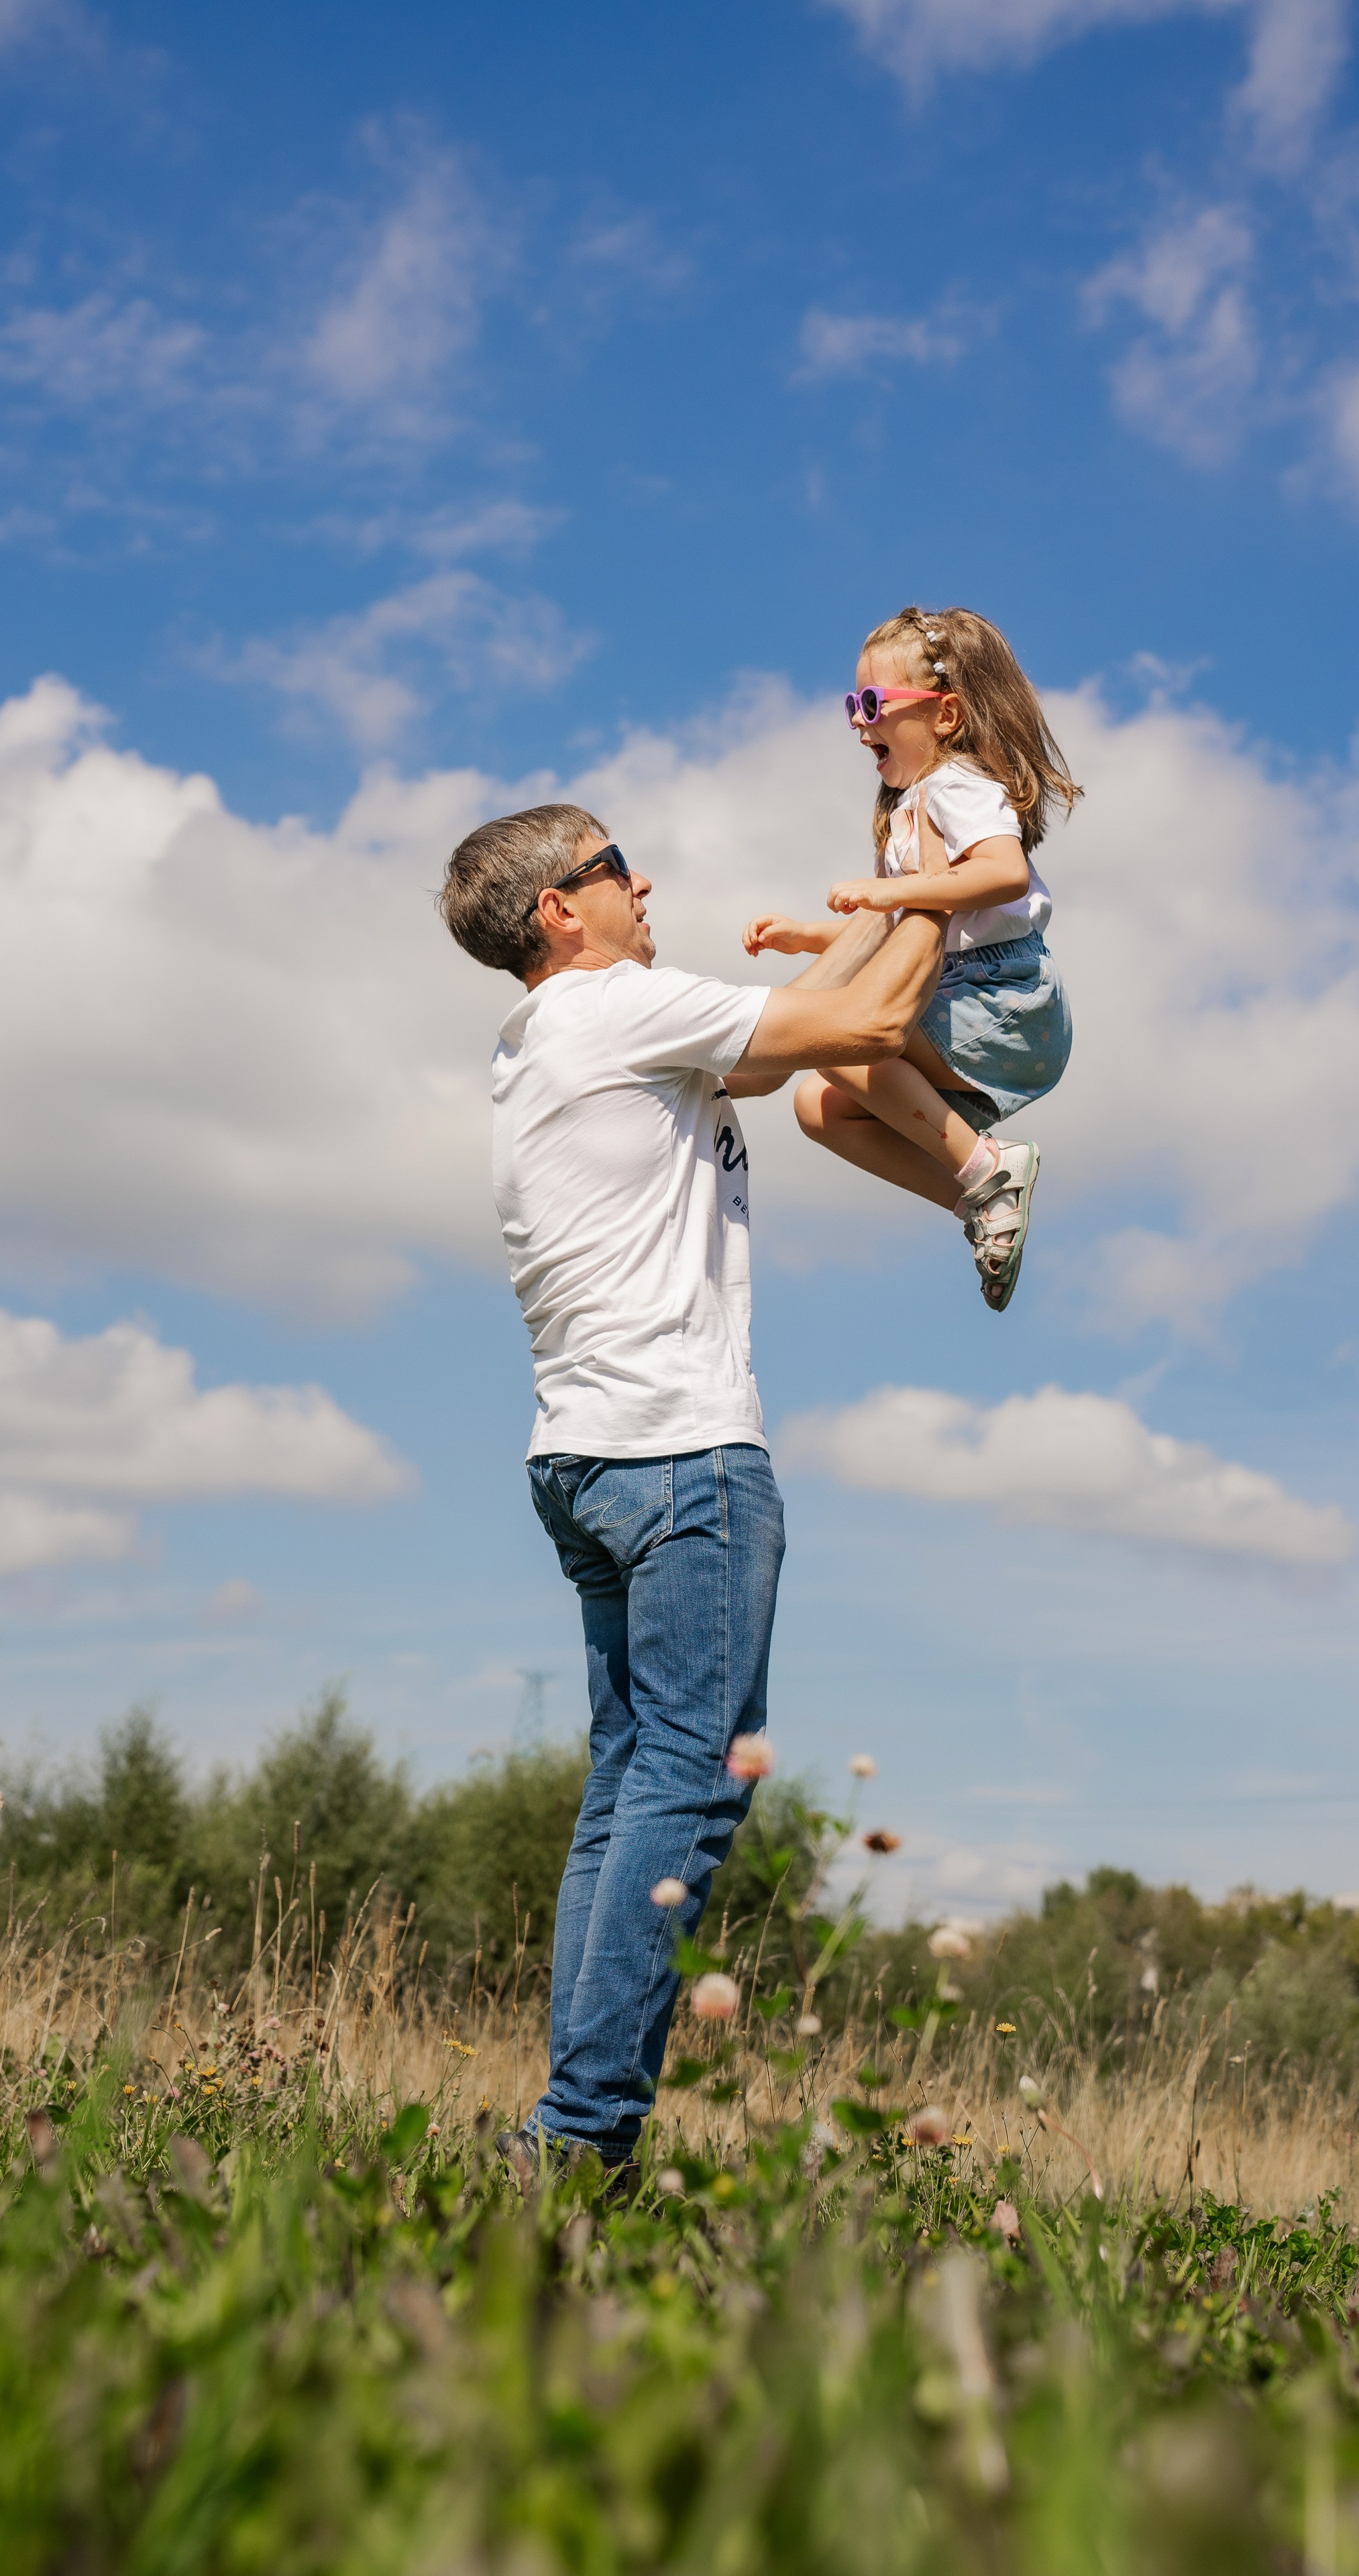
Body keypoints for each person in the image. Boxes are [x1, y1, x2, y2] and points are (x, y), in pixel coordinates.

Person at [435, 804, 950, 2178]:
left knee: (626, 1791)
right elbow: (850, 1032)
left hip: (584, 1459)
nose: (642, 880)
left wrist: (880, 919)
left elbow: (793, 1032)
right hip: (681, 1459)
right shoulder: (615, 1011)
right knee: (688, 1787)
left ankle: (568, 2123)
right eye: (615, 868)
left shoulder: (550, 1043)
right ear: (560, 910)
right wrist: (949, 888)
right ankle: (579, 2132)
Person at [744, 605, 1079, 1311]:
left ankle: (987, 1167)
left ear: (946, 715)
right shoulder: (909, 805)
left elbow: (1002, 874)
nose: (859, 723)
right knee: (818, 1106)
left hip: (1004, 995)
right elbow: (907, 929)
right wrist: (811, 935)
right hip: (960, 985)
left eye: (873, 704)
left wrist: (897, 887)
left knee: (833, 1037)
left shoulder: (958, 786)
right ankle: (979, 1201)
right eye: (850, 705)